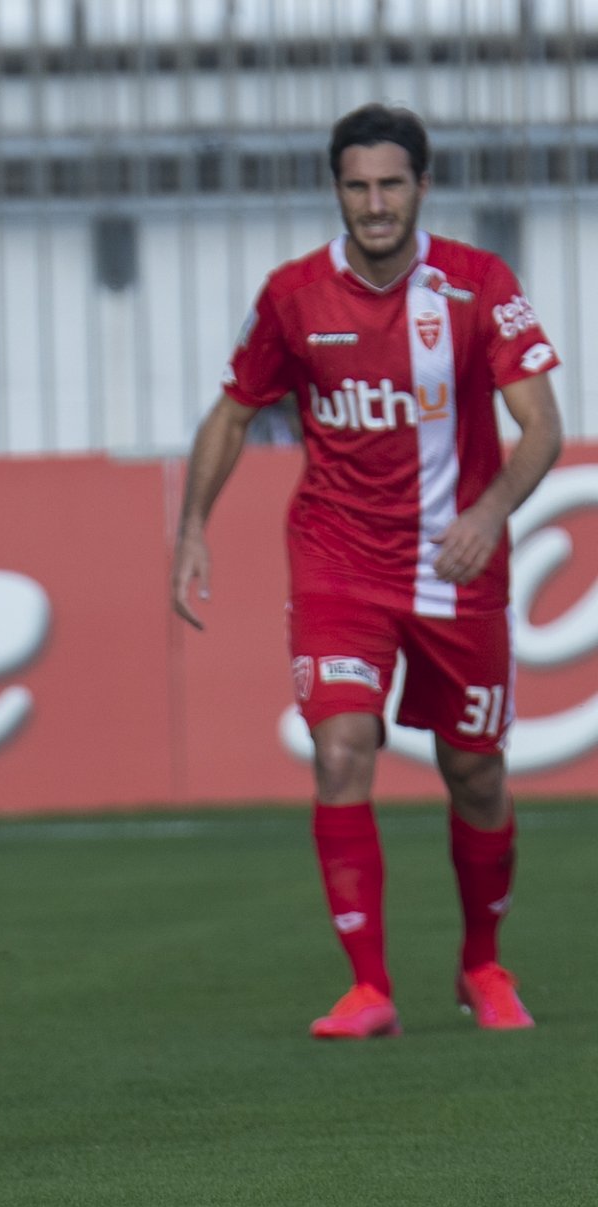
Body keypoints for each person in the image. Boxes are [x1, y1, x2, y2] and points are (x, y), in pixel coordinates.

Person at [171, 103, 563, 1039]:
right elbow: (232, 414)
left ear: (423, 187)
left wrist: (488, 512)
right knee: (343, 748)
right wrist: (191, 527)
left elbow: (541, 426)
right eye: (358, 185)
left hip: (456, 566)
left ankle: (482, 965)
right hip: (339, 560)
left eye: (392, 184)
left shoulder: (476, 285)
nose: (375, 203)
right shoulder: (293, 296)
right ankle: (369, 987)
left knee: (475, 772)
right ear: (337, 190)